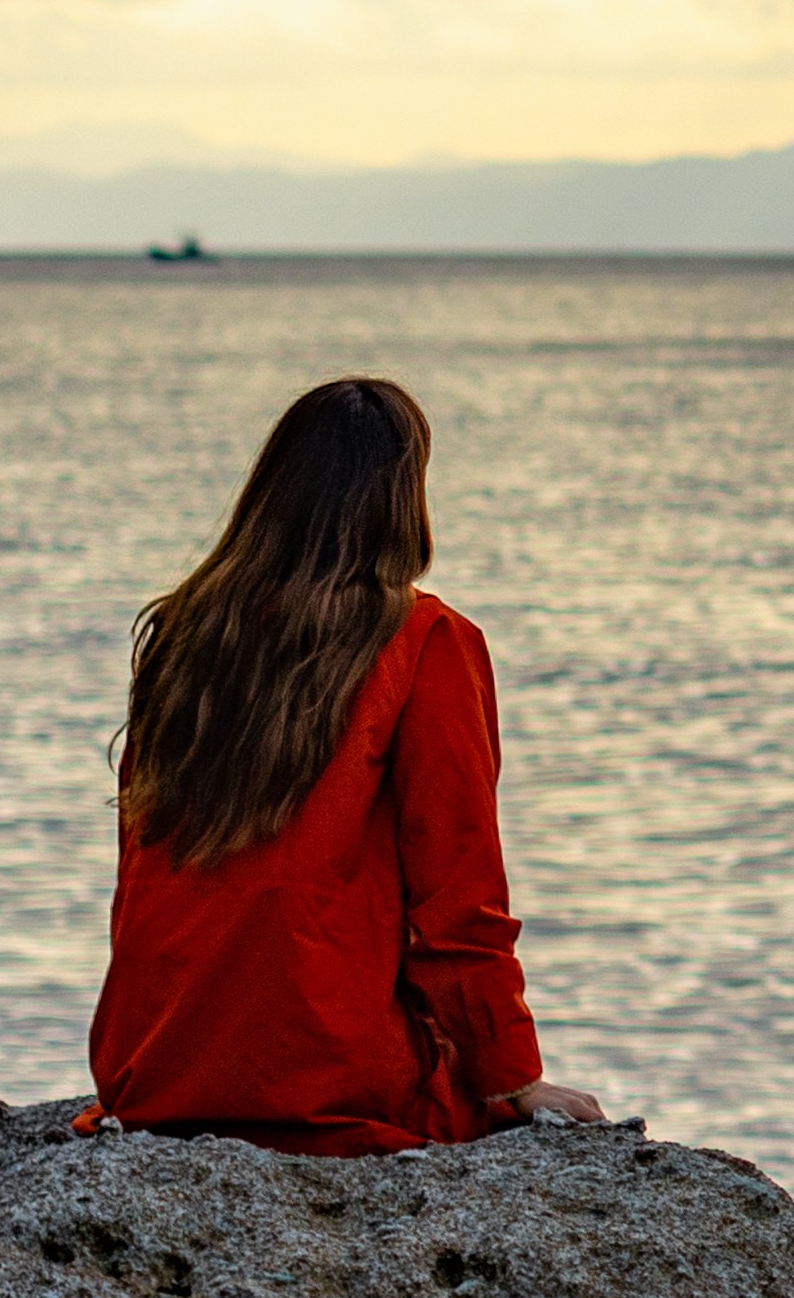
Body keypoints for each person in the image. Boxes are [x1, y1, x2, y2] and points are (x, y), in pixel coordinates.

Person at [86, 375, 615, 1150]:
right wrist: (513, 1078)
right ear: (404, 499)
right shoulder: (427, 642)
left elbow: (140, 880)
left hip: (152, 1075)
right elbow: (457, 901)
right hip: (325, 1078)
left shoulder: (185, 633)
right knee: (461, 1101)